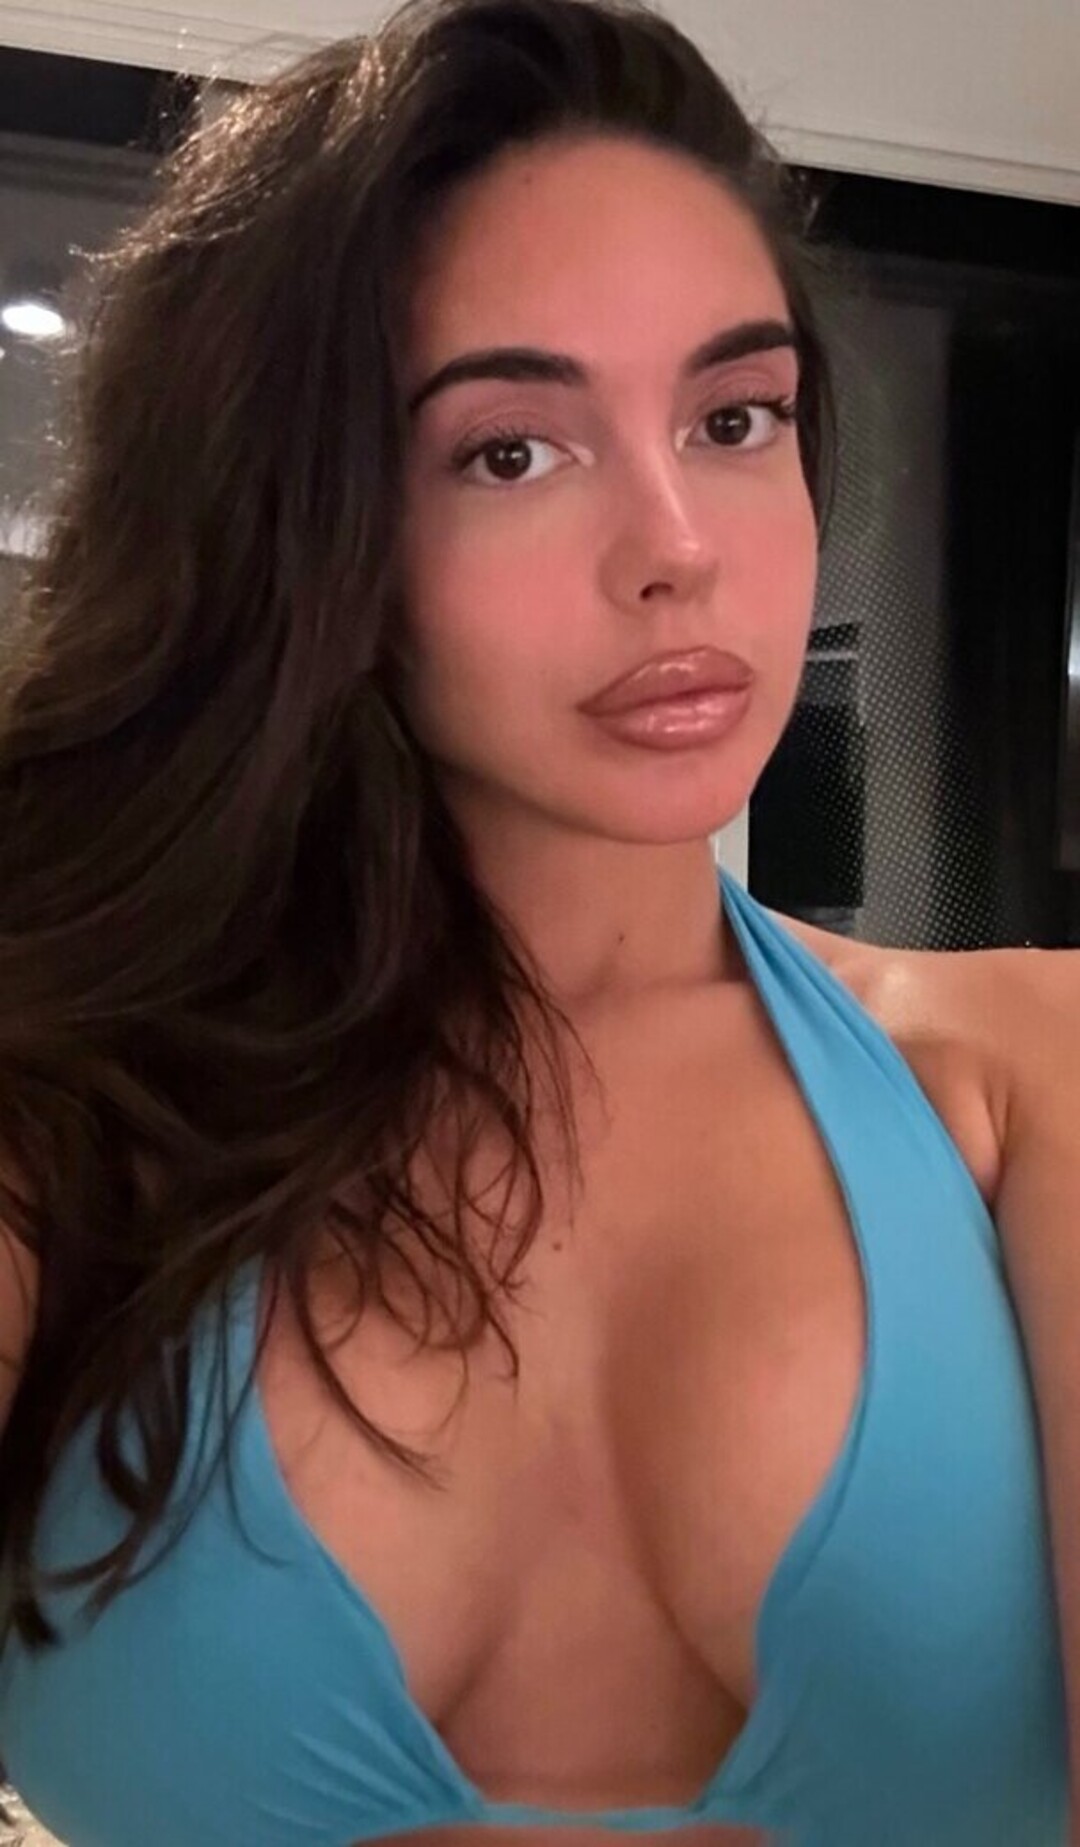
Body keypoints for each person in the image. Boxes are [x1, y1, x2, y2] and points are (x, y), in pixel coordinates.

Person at [0, 1, 1078, 1843]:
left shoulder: (1026, 1079)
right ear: (307, 530)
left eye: (734, 418)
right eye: (512, 450)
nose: (678, 545)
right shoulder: (70, 1117)